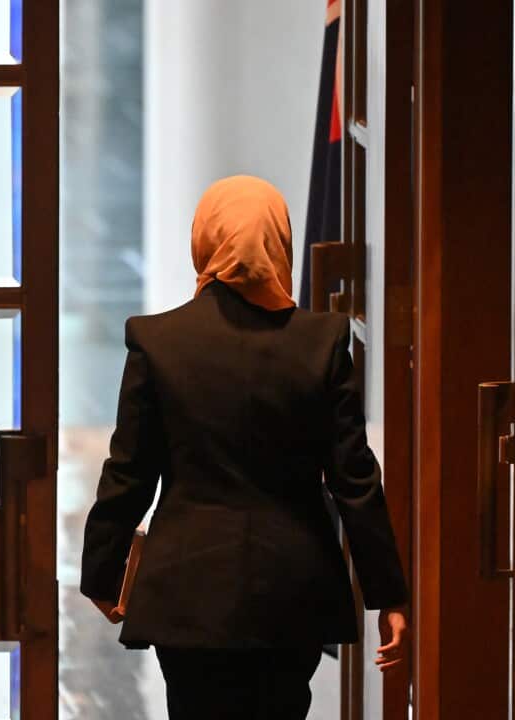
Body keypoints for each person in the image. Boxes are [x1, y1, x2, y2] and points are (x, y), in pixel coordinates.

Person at [80, 175, 409, 719]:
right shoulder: (322, 342)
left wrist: (102, 568)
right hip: (292, 594)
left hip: (187, 593)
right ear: (279, 242)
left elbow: (130, 471)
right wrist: (388, 595)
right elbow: (356, 481)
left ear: (205, 239)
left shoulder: (157, 342)